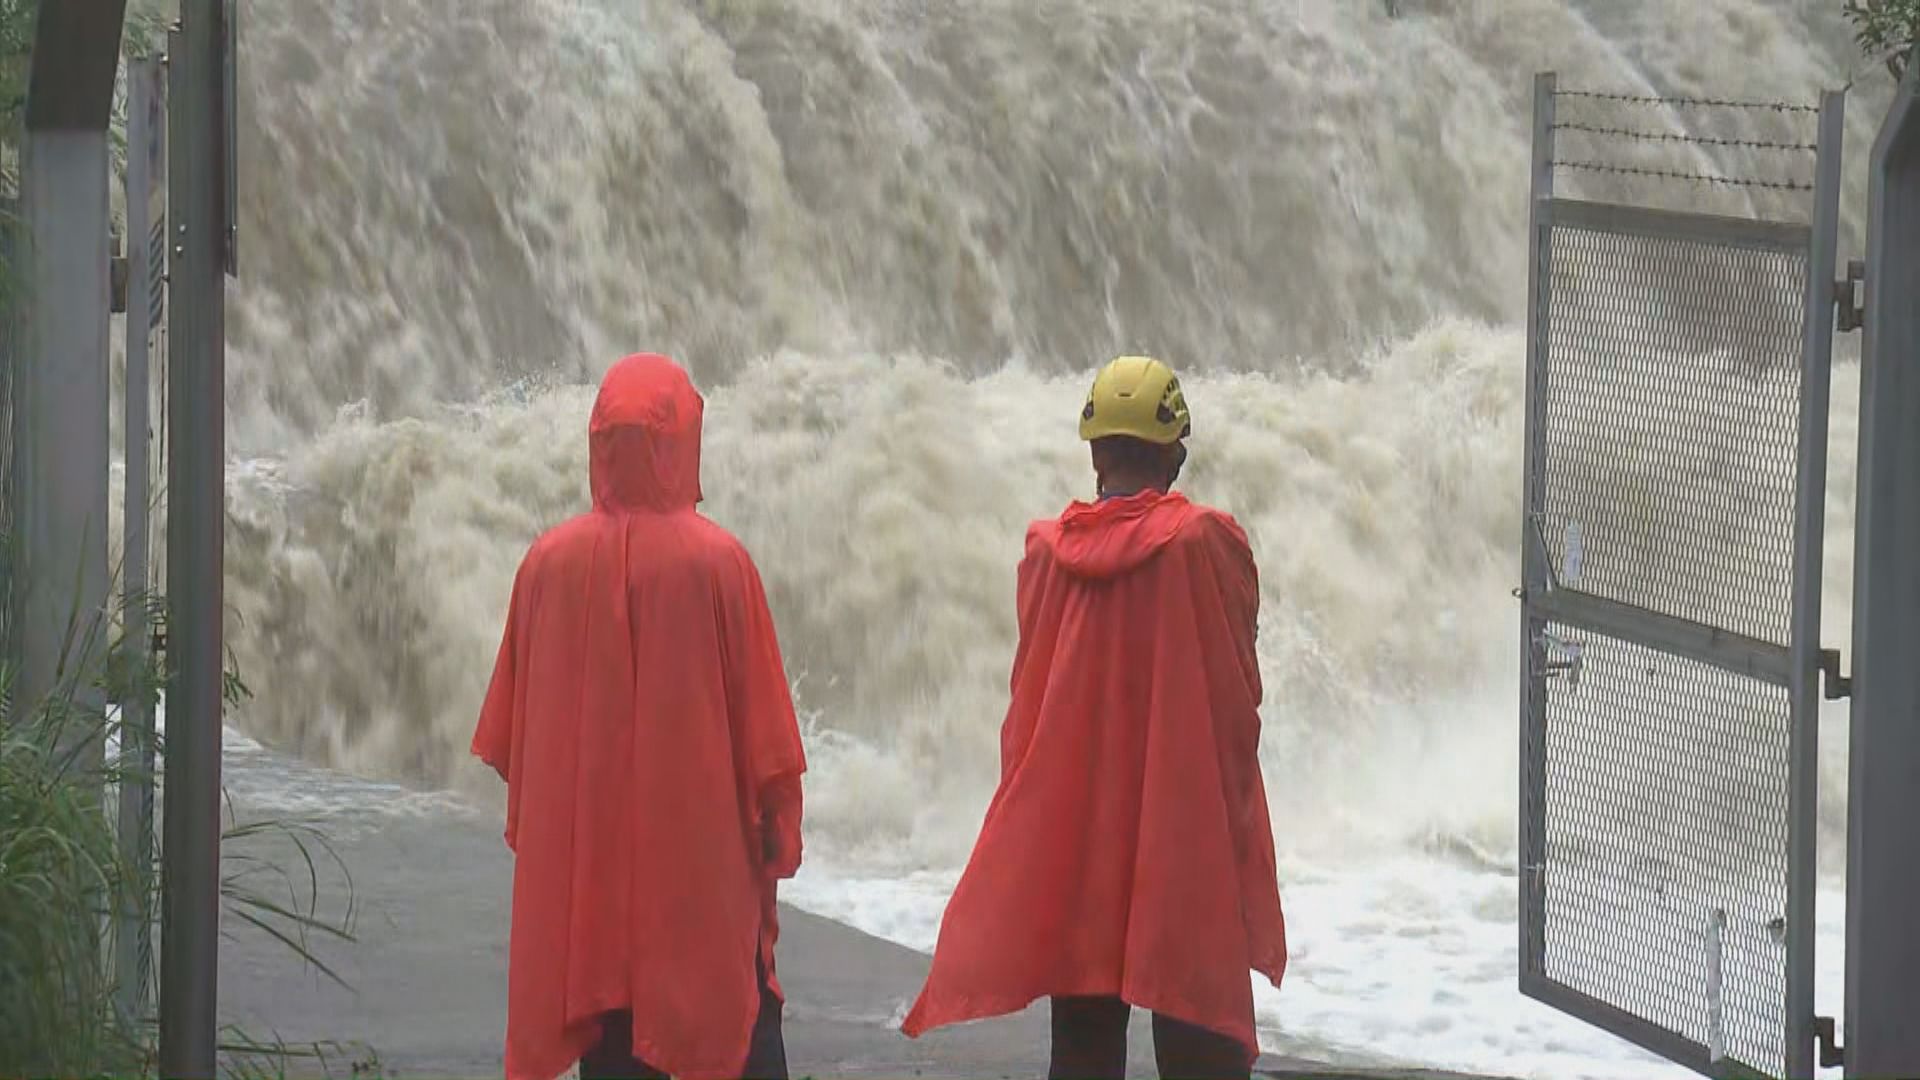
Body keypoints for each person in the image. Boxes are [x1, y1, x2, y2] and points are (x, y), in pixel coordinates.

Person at [900, 355, 1287, 1080]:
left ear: (1095, 450)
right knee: (1202, 1034)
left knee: (1082, 1047)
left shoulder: (1047, 552)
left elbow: (1030, 698)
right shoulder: (1208, 543)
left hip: (1079, 827)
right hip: (1184, 826)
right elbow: (1239, 689)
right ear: (1175, 448)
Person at [472, 353, 807, 1080]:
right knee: (730, 1039)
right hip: (702, 889)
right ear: (683, 443)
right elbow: (770, 747)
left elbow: (511, 743)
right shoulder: (721, 565)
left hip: (592, 907)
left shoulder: (545, 565)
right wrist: (778, 835)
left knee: (615, 1051)